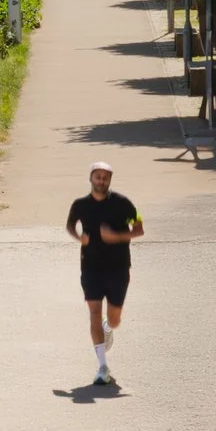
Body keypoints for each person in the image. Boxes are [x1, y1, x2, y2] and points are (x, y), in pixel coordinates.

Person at [67, 160, 145, 385]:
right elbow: (71, 225)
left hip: (118, 267)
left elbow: (139, 229)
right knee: (93, 311)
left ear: (110, 180)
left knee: (115, 318)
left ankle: (108, 327)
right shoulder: (80, 205)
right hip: (90, 267)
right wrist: (78, 237)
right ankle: (102, 367)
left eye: (105, 177)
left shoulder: (124, 204)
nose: (101, 181)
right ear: (91, 178)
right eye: (97, 176)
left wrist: (117, 237)